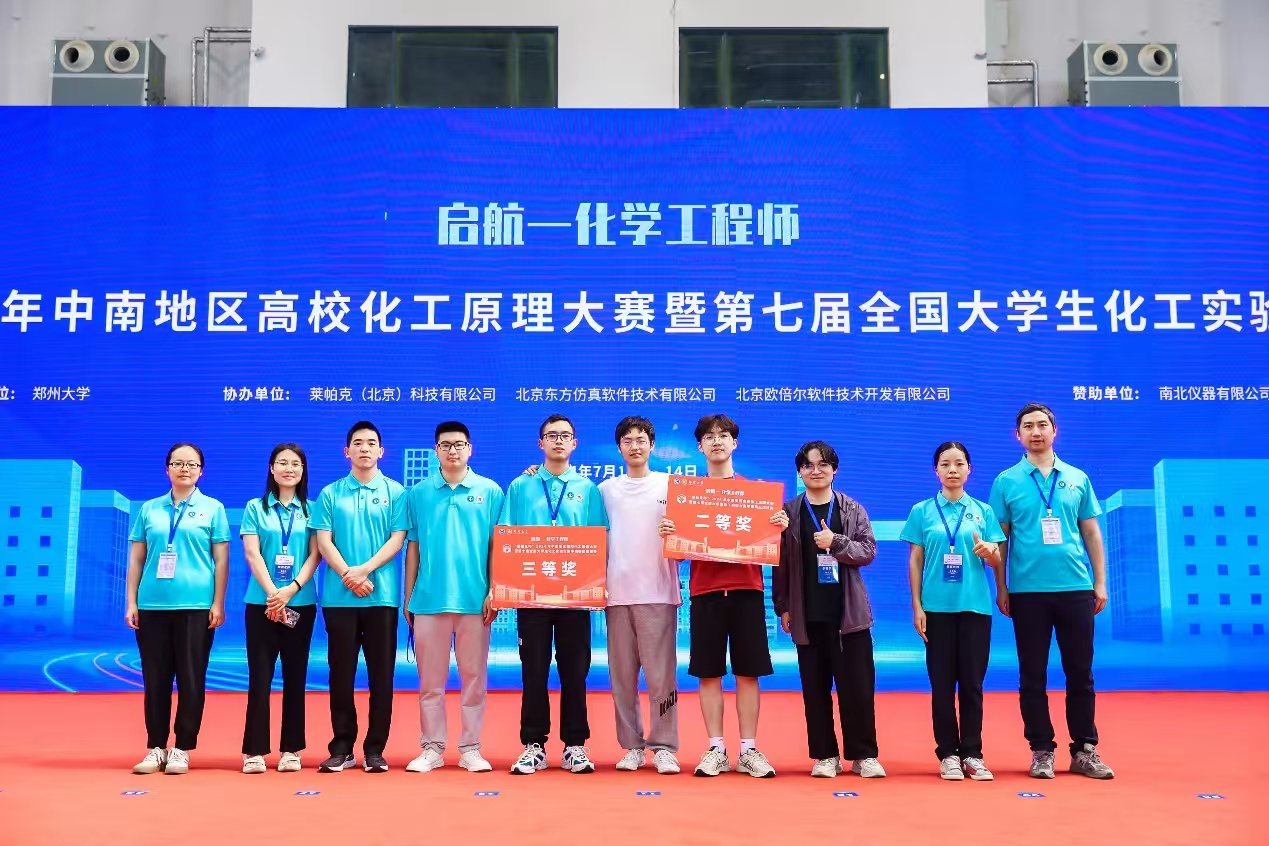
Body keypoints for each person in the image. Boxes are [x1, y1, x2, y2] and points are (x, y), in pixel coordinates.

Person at [658, 414, 788, 779]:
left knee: (748, 672)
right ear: (699, 446)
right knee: (709, 673)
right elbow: (679, 555)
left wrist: (778, 527)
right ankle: (716, 747)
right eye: (709, 437)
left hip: (747, 591)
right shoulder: (688, 497)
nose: (717, 441)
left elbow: (771, 545)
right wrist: (669, 533)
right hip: (706, 593)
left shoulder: (756, 494)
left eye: (724, 435)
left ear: (735, 443)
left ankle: (748, 749)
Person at [988, 403, 1114, 780]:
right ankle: (1041, 749)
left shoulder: (1077, 478)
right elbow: (1000, 540)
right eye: (1028, 426)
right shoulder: (1006, 481)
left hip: (1076, 589)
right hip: (1028, 593)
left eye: (1042, 425)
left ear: (1054, 431)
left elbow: (1091, 533)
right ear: (1018, 435)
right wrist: (1002, 587)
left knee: (1081, 672)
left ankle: (1085, 749)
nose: (1036, 432)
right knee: (1032, 674)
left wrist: (1100, 582)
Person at [500, 414, 609, 775]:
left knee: (575, 671)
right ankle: (533, 745)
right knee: (533, 669)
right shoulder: (521, 486)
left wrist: (598, 584)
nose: (558, 441)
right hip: (531, 594)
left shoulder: (588, 489)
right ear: (541, 443)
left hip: (575, 595)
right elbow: (506, 536)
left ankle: (575, 745)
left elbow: (599, 539)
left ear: (574, 443)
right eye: (552, 435)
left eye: (565, 436)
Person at [773, 440, 884, 779]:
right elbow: (779, 562)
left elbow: (868, 551)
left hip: (849, 616)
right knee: (815, 690)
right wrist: (783, 606)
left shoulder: (852, 509)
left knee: (858, 690)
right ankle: (825, 755)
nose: (816, 470)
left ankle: (864, 755)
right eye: (808, 465)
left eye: (823, 464)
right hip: (807, 615)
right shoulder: (789, 513)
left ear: (834, 469)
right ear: (799, 472)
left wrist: (835, 542)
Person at [403, 421, 504, 775]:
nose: (453, 451)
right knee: (430, 683)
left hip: (475, 602)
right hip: (429, 600)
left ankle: (470, 748)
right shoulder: (418, 493)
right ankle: (431, 748)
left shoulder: (490, 491)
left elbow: (497, 546)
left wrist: (493, 589)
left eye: (459, 444)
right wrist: (408, 596)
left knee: (474, 680)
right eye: (445, 445)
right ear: (436, 451)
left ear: (470, 449)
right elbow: (413, 547)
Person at [901, 441, 1005, 781]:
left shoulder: (983, 511)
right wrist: (917, 606)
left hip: (975, 608)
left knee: (972, 684)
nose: (953, 470)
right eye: (945, 464)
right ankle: (947, 753)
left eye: (959, 463)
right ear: (936, 470)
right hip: (936, 610)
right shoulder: (922, 511)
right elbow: (916, 560)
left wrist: (990, 551)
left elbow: (997, 559)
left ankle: (973, 754)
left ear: (969, 469)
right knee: (942, 685)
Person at [310, 421, 409, 774]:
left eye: (371, 443)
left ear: (381, 451)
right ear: (346, 451)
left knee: (382, 676)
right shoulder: (330, 494)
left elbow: (397, 539)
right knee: (341, 675)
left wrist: (364, 570)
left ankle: (375, 749)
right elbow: (323, 541)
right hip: (339, 599)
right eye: (357, 443)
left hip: (381, 598)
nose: (364, 448)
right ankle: (342, 747)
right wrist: (348, 575)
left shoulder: (396, 492)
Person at [126, 443, 229, 775]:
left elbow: (221, 560)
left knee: (191, 678)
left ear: (201, 471)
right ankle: (156, 747)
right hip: (152, 604)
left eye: (192, 464)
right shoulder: (149, 509)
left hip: (196, 606)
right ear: (167, 468)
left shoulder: (213, 508)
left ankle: (182, 747)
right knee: (155, 679)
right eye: (178, 463)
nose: (185, 469)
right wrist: (131, 601)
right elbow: (137, 559)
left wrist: (217, 602)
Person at [599, 416, 682, 775]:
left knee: (662, 677)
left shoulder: (671, 486)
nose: (635, 446)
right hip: (616, 594)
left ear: (652, 445)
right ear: (619, 447)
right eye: (628, 441)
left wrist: (677, 535)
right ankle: (632, 746)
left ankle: (664, 746)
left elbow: (688, 543)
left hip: (658, 593)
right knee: (622, 677)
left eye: (641, 440)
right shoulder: (604, 491)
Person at [240, 443, 321, 774]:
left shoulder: (313, 510)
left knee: (295, 677)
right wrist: (274, 594)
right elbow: (252, 553)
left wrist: (291, 589)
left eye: (295, 463)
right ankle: (254, 751)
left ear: (303, 470)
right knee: (259, 678)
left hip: (300, 604)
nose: (289, 468)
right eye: (282, 463)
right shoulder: (255, 507)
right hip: (261, 604)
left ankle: (292, 749)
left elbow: (316, 554)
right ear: (271, 469)